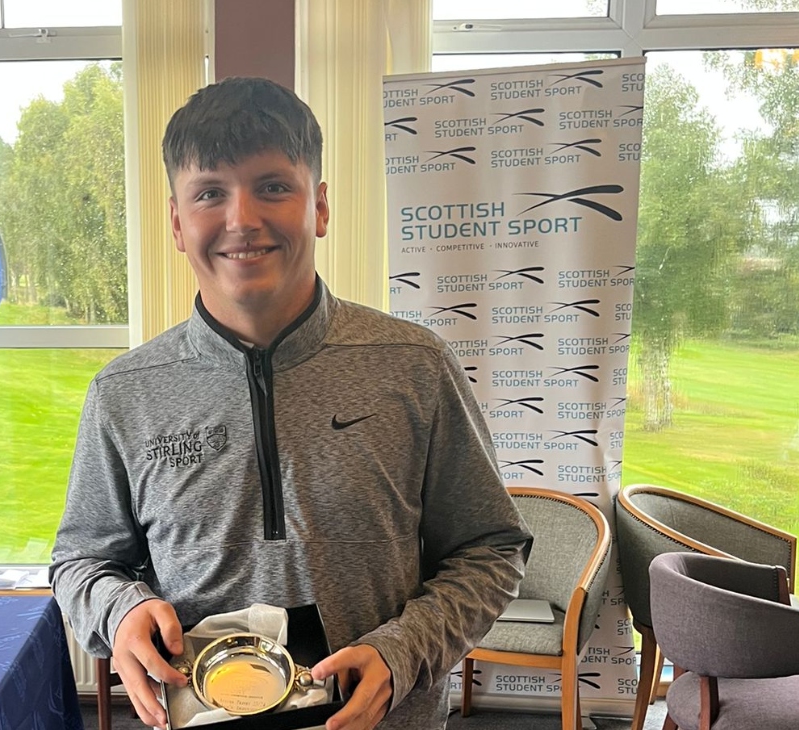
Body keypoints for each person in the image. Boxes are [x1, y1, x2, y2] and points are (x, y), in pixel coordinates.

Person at [50, 77, 531, 730]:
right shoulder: (124, 393)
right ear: (176, 222)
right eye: (210, 193)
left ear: (321, 207)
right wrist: (117, 608)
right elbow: (81, 561)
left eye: (273, 186)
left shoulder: (414, 366)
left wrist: (401, 653)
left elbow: (490, 548)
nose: (242, 219)